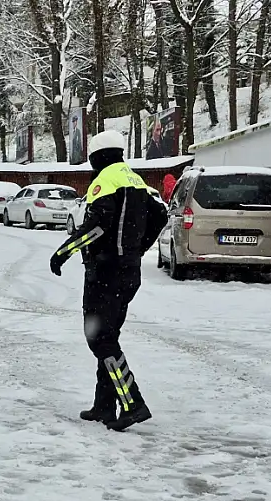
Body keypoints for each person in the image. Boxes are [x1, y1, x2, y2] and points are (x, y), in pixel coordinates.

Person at [49, 130, 168, 432]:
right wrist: (137, 248)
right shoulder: (134, 179)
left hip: (105, 273)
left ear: (97, 157)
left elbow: (98, 226)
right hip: (128, 272)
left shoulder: (105, 181)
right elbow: (160, 215)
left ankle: (132, 402)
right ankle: (104, 405)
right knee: (108, 337)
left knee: (100, 339)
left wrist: (64, 251)